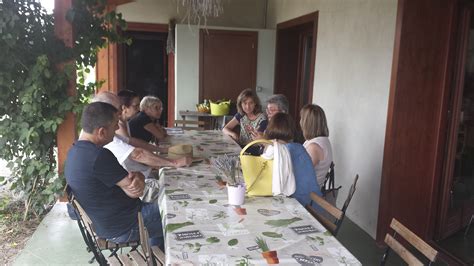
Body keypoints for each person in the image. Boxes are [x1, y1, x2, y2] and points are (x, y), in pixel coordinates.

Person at [65, 102, 164, 249]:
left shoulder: (74, 152)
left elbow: (131, 185)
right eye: (114, 125)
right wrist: (140, 176)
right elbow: (135, 191)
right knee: (176, 212)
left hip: (108, 225)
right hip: (127, 226)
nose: (118, 129)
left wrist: (136, 179)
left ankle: (156, 255)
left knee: (164, 203)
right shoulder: (99, 156)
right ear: (102, 132)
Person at [92, 92, 192, 174]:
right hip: (136, 177)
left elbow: (133, 142)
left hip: (140, 172)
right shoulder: (106, 134)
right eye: (118, 109)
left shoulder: (113, 129)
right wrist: (174, 162)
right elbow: (138, 154)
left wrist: (162, 150)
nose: (120, 112)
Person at [263, 112, 322, 206]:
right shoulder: (298, 147)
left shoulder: (280, 151)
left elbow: (268, 181)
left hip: (303, 205)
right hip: (312, 202)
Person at [300, 104, 333, 189]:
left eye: (302, 118)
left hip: (308, 196)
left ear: (307, 122)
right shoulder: (322, 140)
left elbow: (301, 174)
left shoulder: (314, 147)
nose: (300, 122)